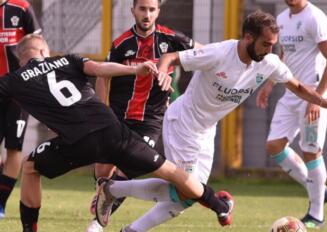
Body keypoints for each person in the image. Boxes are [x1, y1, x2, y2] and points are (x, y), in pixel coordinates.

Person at [102, 9, 327, 232]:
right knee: (188, 190)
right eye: (266, 44)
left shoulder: (269, 62)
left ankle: (122, 211)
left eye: (273, 45)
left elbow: (297, 86)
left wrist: (322, 100)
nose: (270, 51)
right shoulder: (220, 52)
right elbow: (171, 57)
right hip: (184, 123)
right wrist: (163, 74)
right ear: (248, 38)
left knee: (186, 198)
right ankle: (113, 190)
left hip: (207, 129)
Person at [0, 34, 233, 232]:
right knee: (172, 172)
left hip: (79, 143)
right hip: (114, 132)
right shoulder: (66, 60)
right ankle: (219, 206)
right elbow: (101, 69)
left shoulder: (12, 80)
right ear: (44, 50)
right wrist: (135, 69)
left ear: (21, 59)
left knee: (30, 167)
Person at [87, 0, 200, 231]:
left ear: (158, 11)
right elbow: (102, 76)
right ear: (133, 11)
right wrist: (101, 111)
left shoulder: (171, 39)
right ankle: (104, 194)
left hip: (150, 121)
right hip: (119, 116)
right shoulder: (121, 44)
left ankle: (96, 225)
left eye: (151, 10)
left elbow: (207, 53)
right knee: (102, 171)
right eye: (142, 9)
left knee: (128, 167)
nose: (147, 14)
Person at [256, 1, 327, 229]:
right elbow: (283, 55)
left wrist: (318, 98)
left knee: (311, 151)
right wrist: (270, 84)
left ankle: (316, 215)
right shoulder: (282, 19)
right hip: (291, 94)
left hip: (314, 92)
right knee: (274, 146)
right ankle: (317, 189)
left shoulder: (315, 17)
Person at [0, 0, 41, 219]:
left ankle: (1, 204)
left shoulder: (21, 7)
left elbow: (38, 45)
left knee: (14, 147)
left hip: (19, 91)